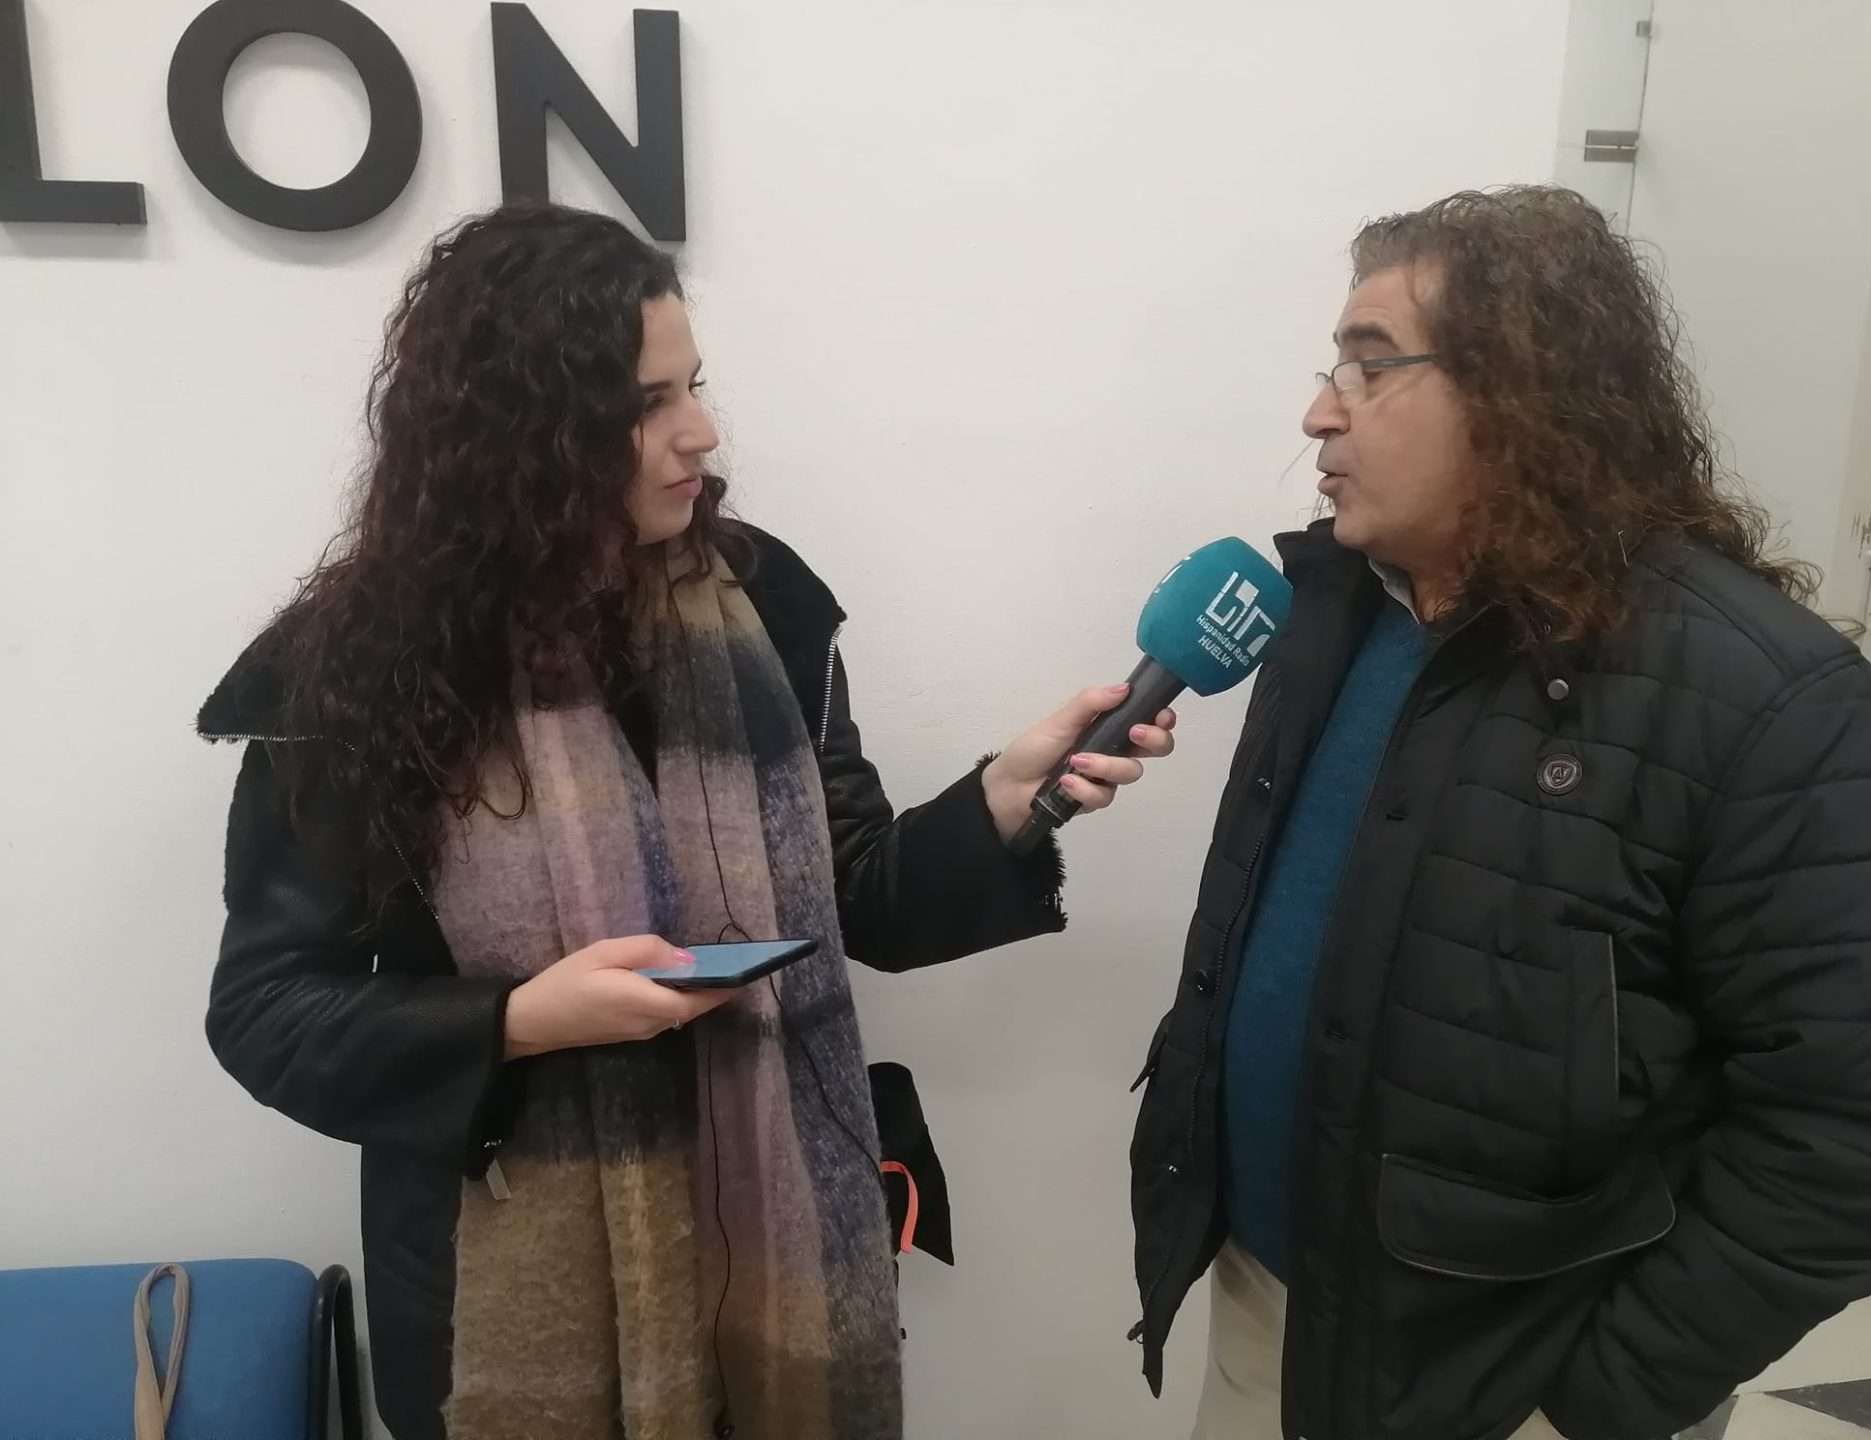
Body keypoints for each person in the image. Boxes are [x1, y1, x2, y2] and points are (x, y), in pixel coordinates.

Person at [196, 202, 1175, 1440]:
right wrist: (519, 1021)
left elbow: (856, 896)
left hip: (769, 1268)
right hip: (491, 1303)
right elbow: (270, 1011)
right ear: (519, 430)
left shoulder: (763, 607)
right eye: (644, 404)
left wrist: (1002, 804)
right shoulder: (358, 673)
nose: (701, 432)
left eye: (693, 385)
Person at [1127, 185, 1871, 1440]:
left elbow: (1867, 1135)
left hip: (1515, 1380)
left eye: (1370, 365)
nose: (1319, 409)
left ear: (1518, 392)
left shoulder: (1769, 699)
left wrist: (1593, 1404)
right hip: (1269, 1309)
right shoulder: (1330, 613)